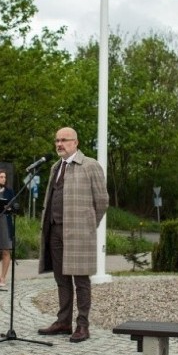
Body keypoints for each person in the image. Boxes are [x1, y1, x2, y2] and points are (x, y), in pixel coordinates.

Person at [37, 127, 108, 343]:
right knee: (61, 279)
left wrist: (88, 226)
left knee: (81, 281)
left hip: (79, 234)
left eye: (64, 140)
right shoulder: (55, 168)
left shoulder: (90, 166)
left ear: (75, 142)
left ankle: (83, 325)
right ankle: (64, 321)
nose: (60, 144)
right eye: (57, 140)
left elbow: (102, 201)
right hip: (55, 231)